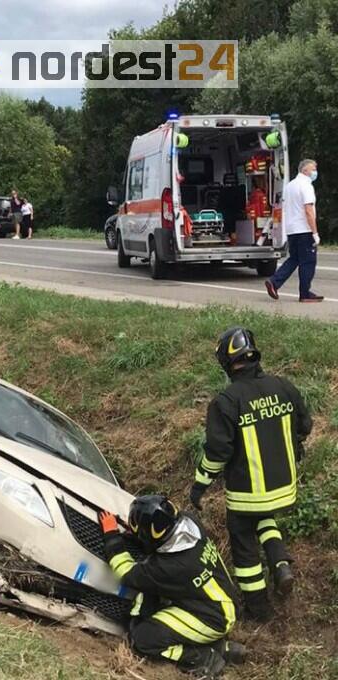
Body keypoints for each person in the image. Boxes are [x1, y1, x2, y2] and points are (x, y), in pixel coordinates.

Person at [191, 326, 311, 622]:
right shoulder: (284, 386)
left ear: (226, 361)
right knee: (265, 517)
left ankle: (259, 610)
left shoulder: (226, 401)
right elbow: (305, 427)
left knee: (244, 547)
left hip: (247, 493)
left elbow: (218, 454)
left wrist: (198, 486)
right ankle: (280, 562)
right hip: (284, 487)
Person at [100, 495, 244, 677]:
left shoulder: (169, 567)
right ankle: (222, 648)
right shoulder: (191, 524)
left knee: (143, 638)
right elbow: (158, 545)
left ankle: (204, 658)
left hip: (212, 618)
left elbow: (127, 573)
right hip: (224, 601)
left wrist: (111, 536)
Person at [266, 159, 323, 302]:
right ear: (305, 170)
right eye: (313, 169)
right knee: (308, 262)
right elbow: (308, 210)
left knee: (294, 259)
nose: (315, 171)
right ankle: (305, 293)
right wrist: (315, 233)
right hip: (304, 229)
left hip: (292, 230)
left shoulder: (289, 186)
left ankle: (274, 282)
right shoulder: (306, 186)